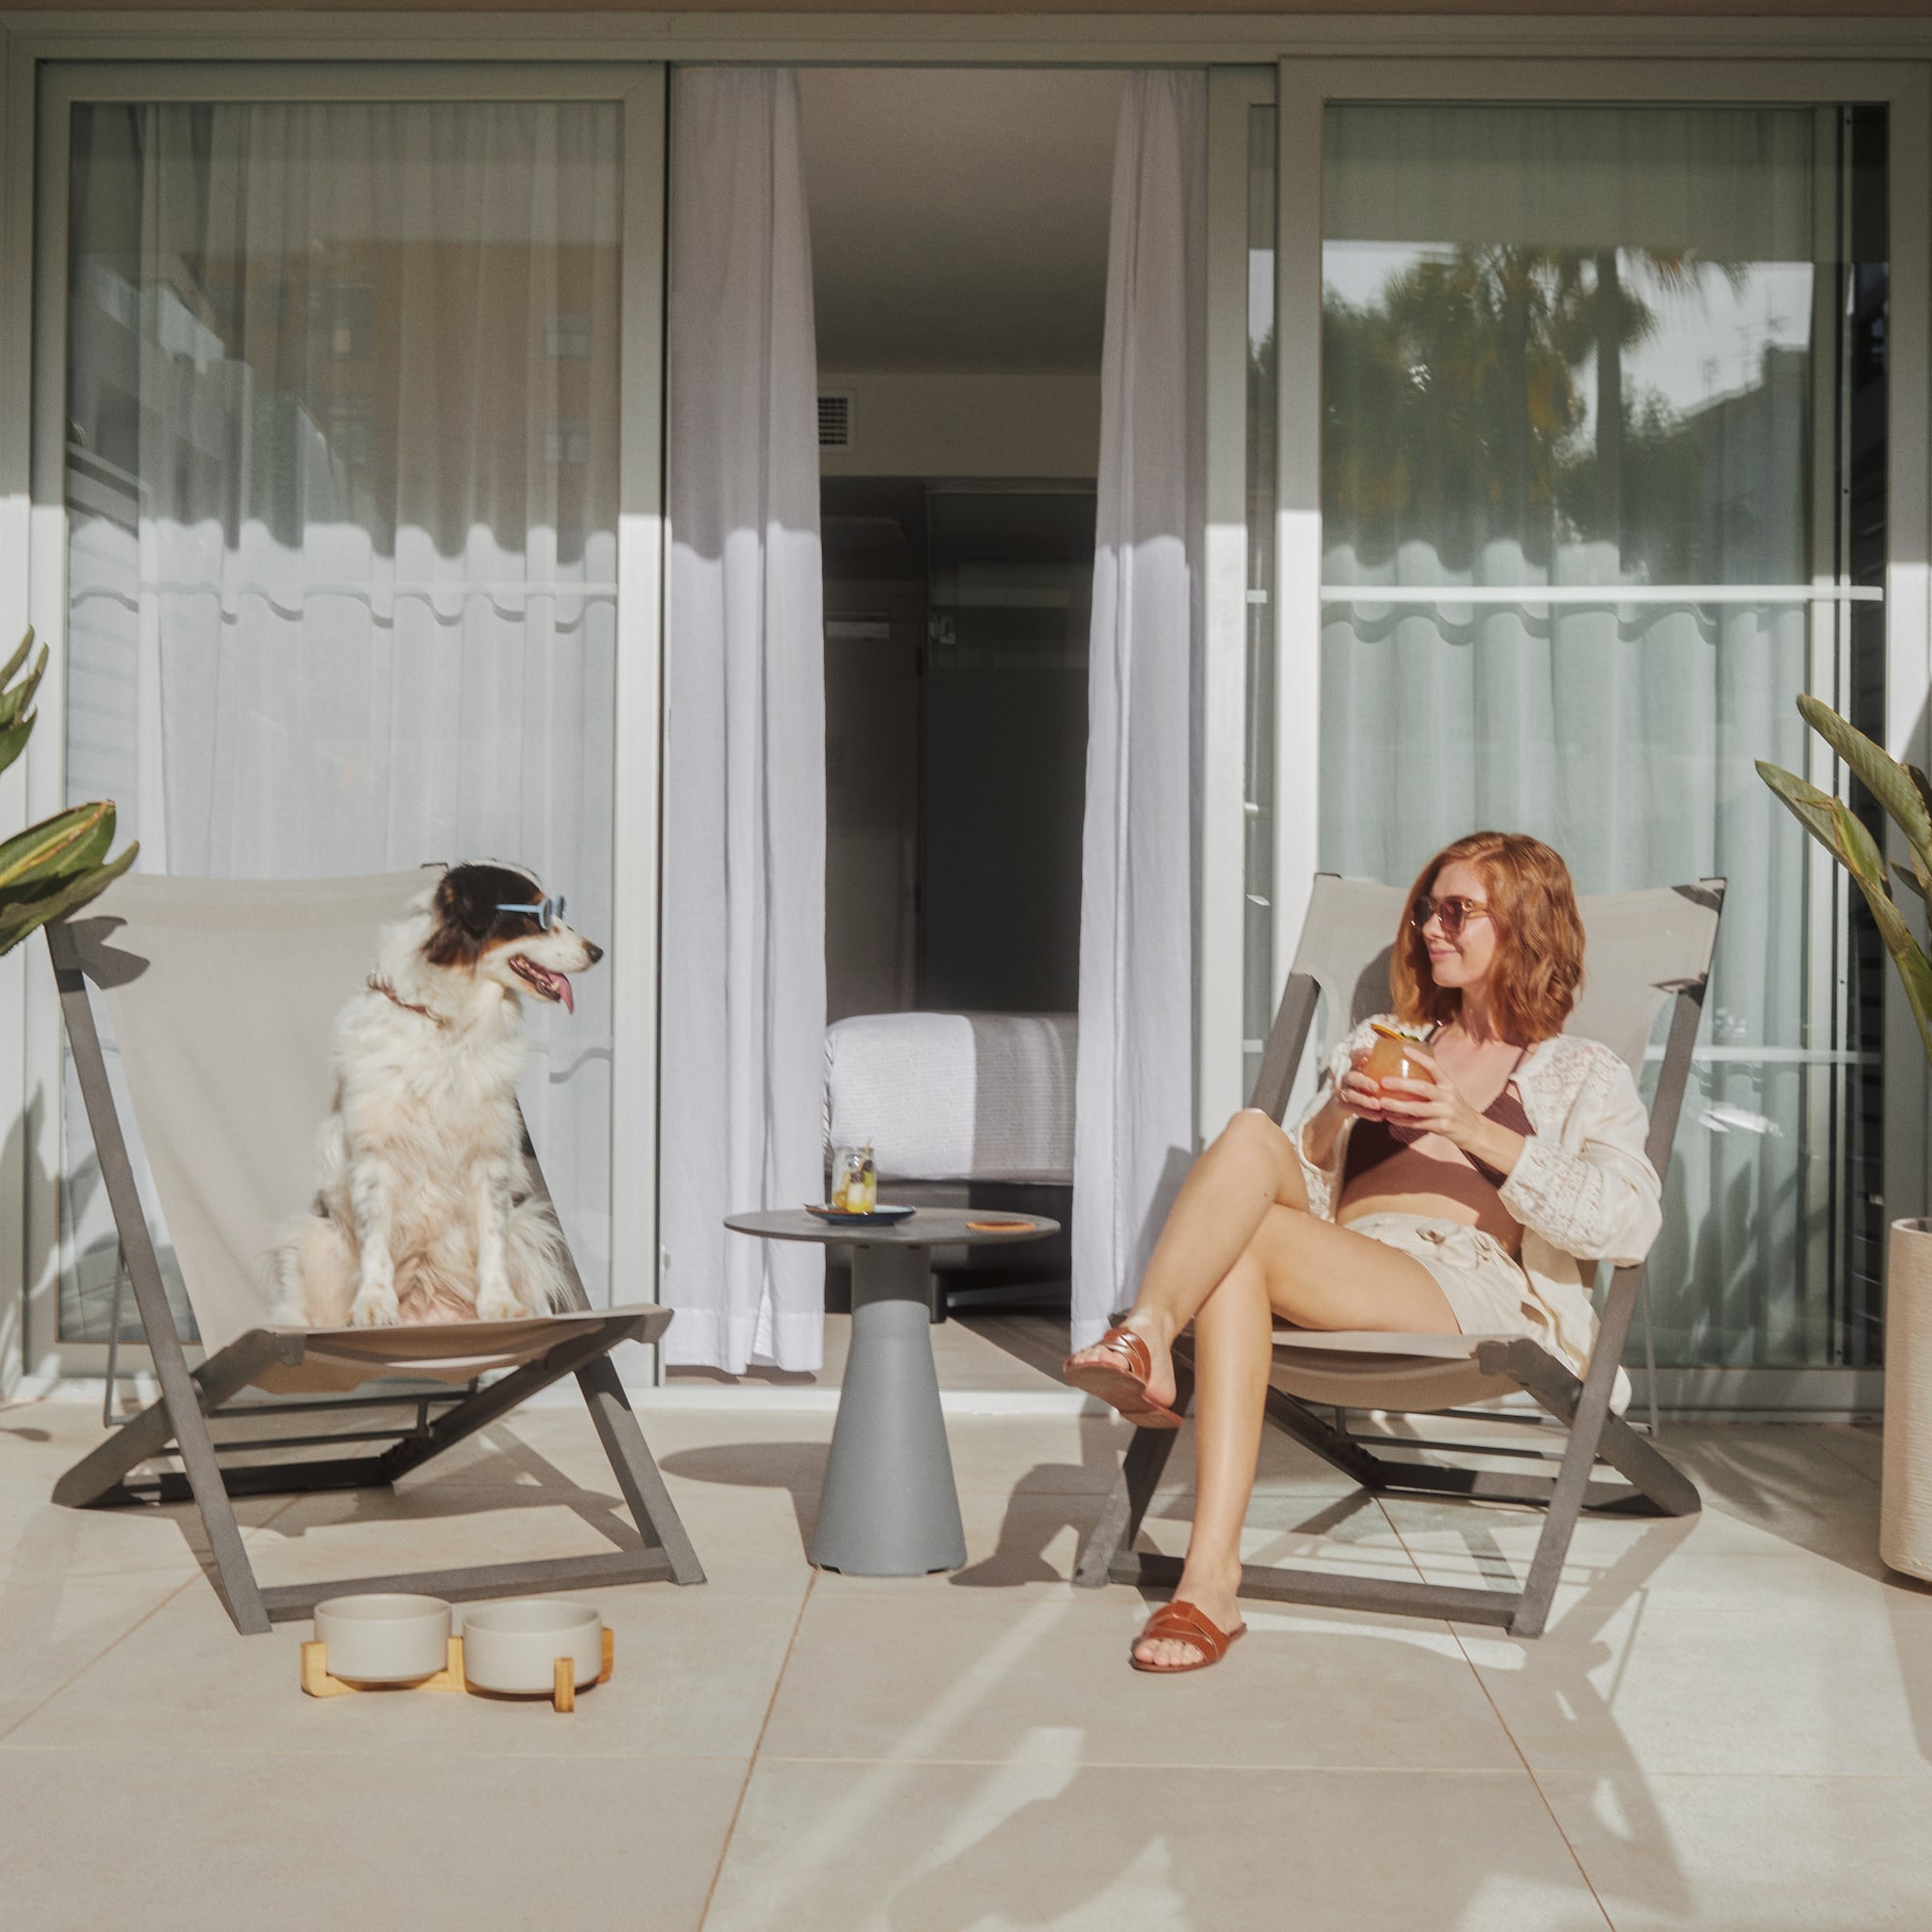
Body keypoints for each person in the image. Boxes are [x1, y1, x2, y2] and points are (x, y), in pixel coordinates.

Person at [1062, 831, 1662, 1672]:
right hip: (1347, 1262)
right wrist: (1336, 1116)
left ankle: (1206, 1580)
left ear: (1525, 926)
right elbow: (1303, 1194)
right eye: (1427, 909)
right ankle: (1153, 1340)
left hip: (1469, 1285)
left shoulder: (1581, 1073)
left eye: (1458, 911)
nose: (1430, 929)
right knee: (1248, 1135)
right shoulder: (1383, 1041)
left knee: (1246, 1242)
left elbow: (1626, 1223)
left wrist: (1467, 1126)